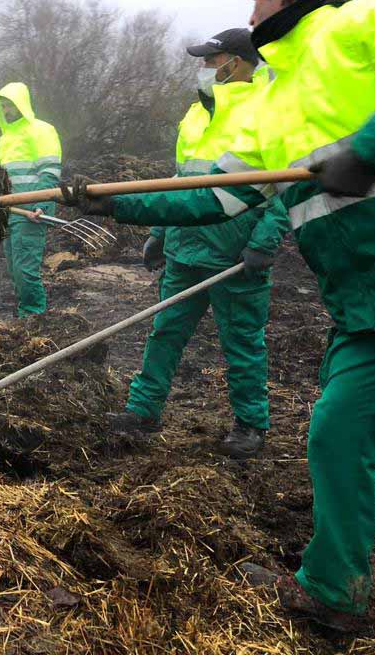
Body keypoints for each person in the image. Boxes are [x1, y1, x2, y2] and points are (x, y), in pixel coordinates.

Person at [65, 0, 375, 630]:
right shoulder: (272, 103)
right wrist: (112, 204)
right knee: (338, 432)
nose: (250, 10)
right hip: (366, 304)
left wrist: (370, 150)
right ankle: (333, 591)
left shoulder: (359, 26)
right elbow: (216, 198)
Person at [108, 29, 290, 459]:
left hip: (235, 254)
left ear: (239, 62)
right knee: (165, 332)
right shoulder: (194, 115)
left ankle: (250, 424)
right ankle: (143, 410)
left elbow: (287, 185)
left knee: (242, 343)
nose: (207, 69)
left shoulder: (270, 110)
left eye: (214, 60)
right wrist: (158, 233)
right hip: (186, 250)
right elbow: (179, 182)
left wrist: (265, 241)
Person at [0, 82, 62, 317]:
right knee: (14, 269)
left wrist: (41, 205)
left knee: (25, 269)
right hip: (11, 213)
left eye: (9, 105)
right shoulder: (6, 138)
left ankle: (33, 317)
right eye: (2, 106)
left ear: (21, 103)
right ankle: (28, 313)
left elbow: (50, 172)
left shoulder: (41, 130)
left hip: (31, 213)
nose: (6, 110)